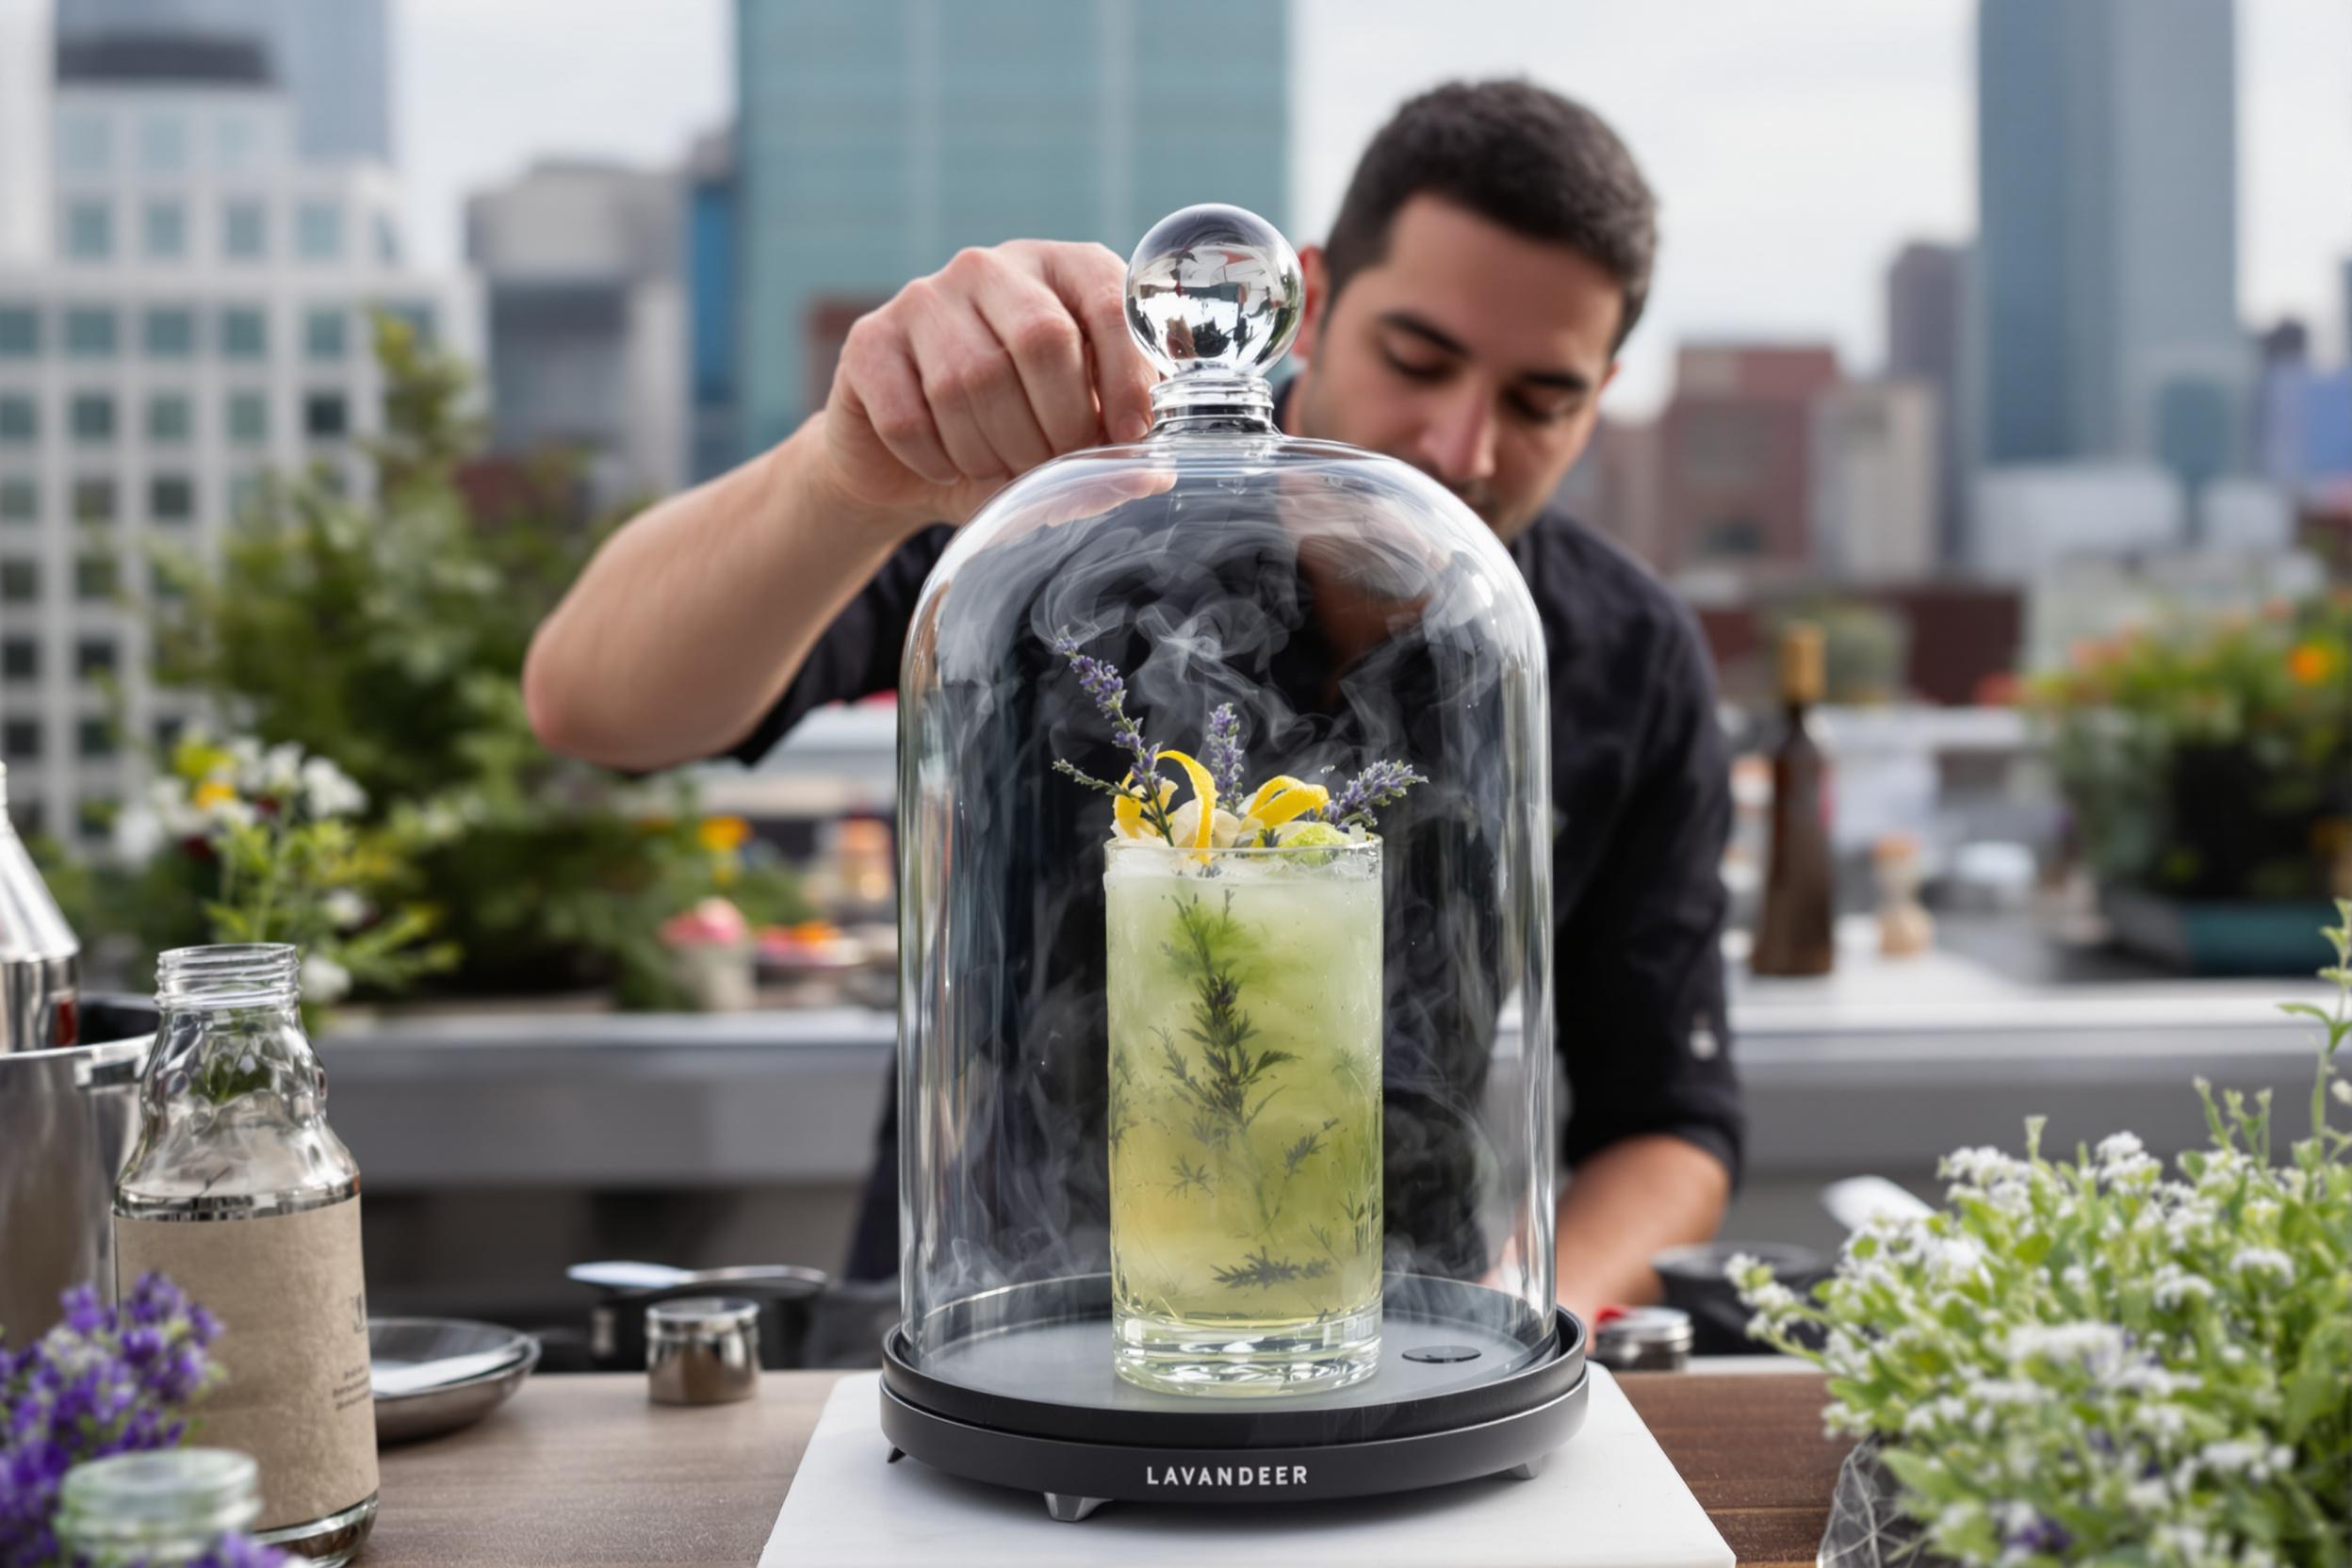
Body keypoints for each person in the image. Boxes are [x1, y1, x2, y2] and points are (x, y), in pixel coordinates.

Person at [524, 79, 1740, 1320]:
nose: (1463, 445)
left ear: (1606, 388)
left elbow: (1670, 1121)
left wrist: (1508, 1321)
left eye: (1545, 400)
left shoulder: (1625, 656)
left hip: (1380, 1357)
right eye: (1417, 357)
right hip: (989, 1331)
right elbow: (595, 706)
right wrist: (854, 472)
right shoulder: (1070, 516)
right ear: (1309, 297)